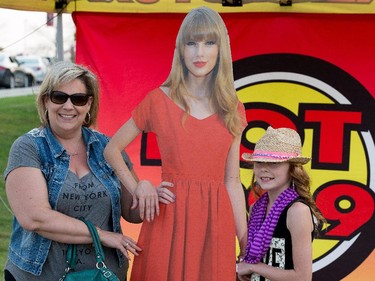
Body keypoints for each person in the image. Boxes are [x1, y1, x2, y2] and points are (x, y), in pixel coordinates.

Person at [103, 6, 248, 281]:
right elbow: (111, 149)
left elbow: (232, 180)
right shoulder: (158, 100)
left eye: (209, 42)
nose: (199, 52)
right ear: (180, 49)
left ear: (221, 49)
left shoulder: (233, 108)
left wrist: (245, 238)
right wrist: (139, 188)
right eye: (191, 43)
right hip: (168, 219)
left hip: (215, 226)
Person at [3, 61, 142, 281]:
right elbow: (35, 218)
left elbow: (133, 213)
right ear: (46, 100)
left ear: (89, 105)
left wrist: (150, 194)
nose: (69, 106)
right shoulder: (28, 147)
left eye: (78, 99)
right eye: (60, 97)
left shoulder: (108, 148)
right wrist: (101, 236)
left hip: (103, 276)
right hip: (39, 277)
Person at [237, 126, 326, 281]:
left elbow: (302, 277)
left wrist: (253, 267)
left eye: (273, 163)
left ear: (292, 169)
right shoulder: (256, 208)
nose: (263, 169)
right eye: (259, 162)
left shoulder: (297, 211)